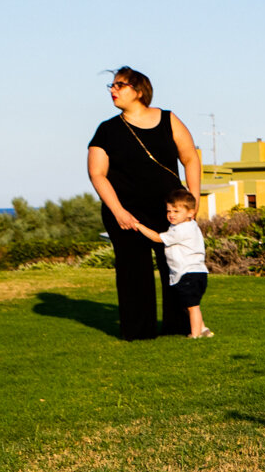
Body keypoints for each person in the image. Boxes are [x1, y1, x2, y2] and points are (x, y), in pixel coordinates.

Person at [86, 67, 203, 340]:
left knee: (177, 266)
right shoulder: (107, 130)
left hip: (170, 210)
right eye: (111, 86)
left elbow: (190, 158)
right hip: (126, 211)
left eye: (120, 85)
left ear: (139, 91)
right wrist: (118, 212)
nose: (113, 90)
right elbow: (97, 174)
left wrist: (192, 202)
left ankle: (180, 327)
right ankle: (138, 332)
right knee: (133, 272)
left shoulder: (168, 119)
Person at [129, 188, 214, 338]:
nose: (171, 215)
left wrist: (139, 226)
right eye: (169, 211)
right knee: (191, 304)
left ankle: (195, 334)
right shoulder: (191, 225)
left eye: (176, 211)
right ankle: (203, 329)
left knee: (192, 306)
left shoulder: (181, 230)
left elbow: (157, 238)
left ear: (190, 213)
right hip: (196, 272)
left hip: (188, 273)